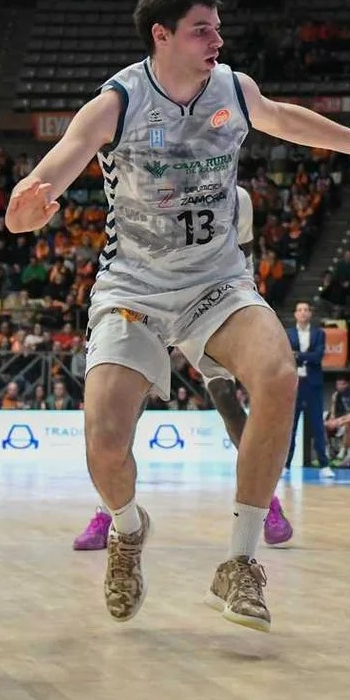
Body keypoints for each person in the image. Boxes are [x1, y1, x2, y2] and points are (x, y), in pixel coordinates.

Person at [9, 0, 350, 631]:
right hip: (134, 289)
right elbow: (50, 173)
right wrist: (27, 206)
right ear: (162, 35)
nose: (217, 40)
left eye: (218, 28)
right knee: (105, 443)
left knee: (279, 375)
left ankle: (240, 561)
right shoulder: (117, 102)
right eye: (202, 29)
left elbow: (285, 118)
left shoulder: (233, 88)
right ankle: (127, 528)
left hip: (217, 284)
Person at [73, 186, 297, 549]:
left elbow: (245, 258)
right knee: (126, 410)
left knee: (228, 402)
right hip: (146, 299)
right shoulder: (143, 186)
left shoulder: (237, 198)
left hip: (209, 300)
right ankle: (109, 512)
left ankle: (267, 503)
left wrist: (241, 310)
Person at [286, 301, 333, 477]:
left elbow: (318, 356)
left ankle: (324, 465)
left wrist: (298, 355)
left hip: (313, 384)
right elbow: (287, 356)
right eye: (300, 310)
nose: (303, 312)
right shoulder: (288, 334)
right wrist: (306, 357)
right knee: (291, 425)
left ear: (310, 314)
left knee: (317, 425)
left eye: (306, 310)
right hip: (294, 384)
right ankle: (285, 464)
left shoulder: (319, 333)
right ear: (295, 314)